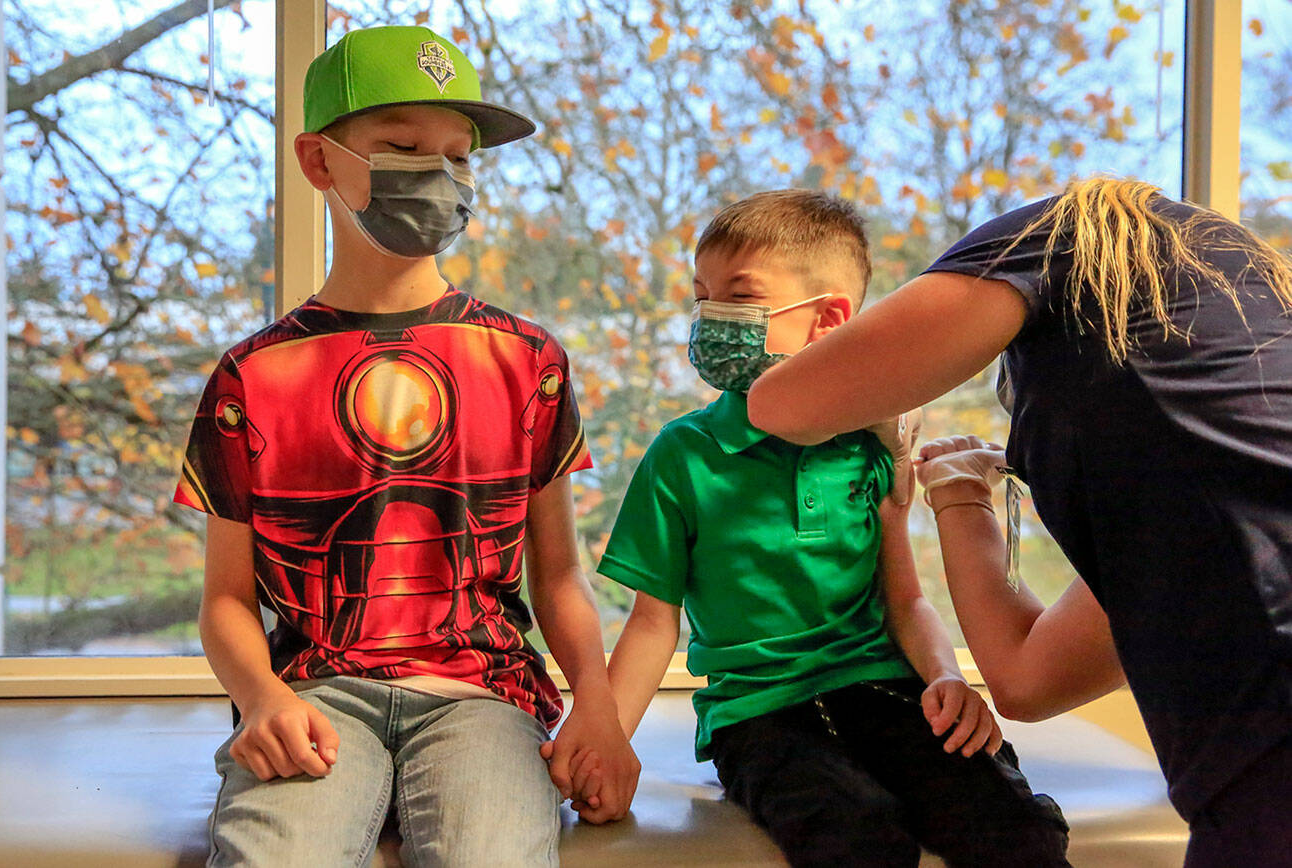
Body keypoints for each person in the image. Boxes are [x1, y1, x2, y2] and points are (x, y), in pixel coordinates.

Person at [175, 25, 638, 867]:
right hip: (311, 696)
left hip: (485, 697)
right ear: (319, 162)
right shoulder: (251, 376)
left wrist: (598, 708)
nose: (442, 176)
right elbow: (225, 600)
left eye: (460, 157)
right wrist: (260, 698)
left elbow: (559, 570)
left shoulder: (528, 360)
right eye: (403, 147)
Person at [746, 177, 1292, 867]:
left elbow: (782, 406)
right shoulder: (1205, 497)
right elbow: (1030, 678)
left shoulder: (1057, 235)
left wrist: (882, 407)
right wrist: (961, 500)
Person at [579, 190, 1070, 867]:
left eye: (738, 295)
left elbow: (908, 600)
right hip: (758, 717)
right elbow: (651, 624)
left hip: (884, 690)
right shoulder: (682, 456)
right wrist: (609, 738)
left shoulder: (872, 445)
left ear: (828, 319)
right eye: (702, 297)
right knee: (854, 837)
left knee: (1017, 830)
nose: (710, 317)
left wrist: (946, 678)